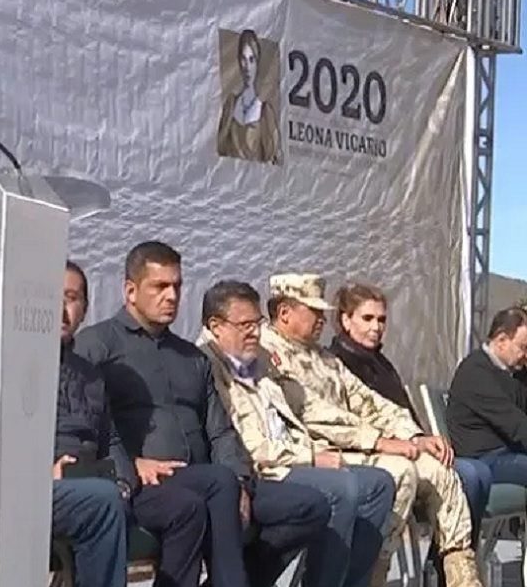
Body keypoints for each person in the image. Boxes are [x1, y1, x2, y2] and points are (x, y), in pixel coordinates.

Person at [75, 242, 330, 587]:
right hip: (149, 484)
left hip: (210, 479)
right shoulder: (98, 346)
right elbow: (86, 425)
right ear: (130, 291)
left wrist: (240, 480)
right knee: (214, 485)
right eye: (159, 286)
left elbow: (220, 431)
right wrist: (130, 464)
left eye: (177, 286)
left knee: (311, 505)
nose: (171, 296)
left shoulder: (191, 357)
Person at [261, 273, 482, 587]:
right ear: (284, 312)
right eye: (314, 311)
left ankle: (462, 578)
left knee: (440, 471)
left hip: (351, 447)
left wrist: (413, 435)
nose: (322, 319)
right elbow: (314, 413)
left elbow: (369, 402)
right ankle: (370, 574)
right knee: (399, 472)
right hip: (310, 453)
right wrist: (379, 441)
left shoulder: (322, 358)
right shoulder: (270, 355)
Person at [198, 280, 394, 587]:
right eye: (245, 325)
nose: (255, 332)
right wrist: (311, 456)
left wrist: (380, 438)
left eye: (257, 323)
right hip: (263, 468)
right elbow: (249, 446)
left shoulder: (260, 359)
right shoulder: (207, 366)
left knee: (379, 483)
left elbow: (305, 405)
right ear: (216, 326)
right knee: (341, 488)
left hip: (292, 453)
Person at [48, 261, 202, 587]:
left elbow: (111, 440)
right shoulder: (5, 364)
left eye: (72, 298)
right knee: (103, 501)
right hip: (40, 488)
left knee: (188, 505)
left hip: (94, 480)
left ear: (84, 309)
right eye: (50, 297)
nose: (61, 310)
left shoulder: (89, 375)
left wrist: (124, 483)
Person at [329, 283, 491, 551]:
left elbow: (401, 414)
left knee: (478, 473)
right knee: (470, 476)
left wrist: (422, 438)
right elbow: (353, 423)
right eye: (367, 318)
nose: (376, 327)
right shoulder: (336, 364)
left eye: (381, 319)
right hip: (374, 456)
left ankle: (453, 561)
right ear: (346, 320)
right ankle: (442, 563)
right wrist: (408, 443)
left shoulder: (381, 363)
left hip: (408, 448)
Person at [447, 308, 527, 488]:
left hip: (508, 452)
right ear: (501, 341)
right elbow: (516, 425)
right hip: (484, 458)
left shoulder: (512, 373)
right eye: (524, 347)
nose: (526, 356)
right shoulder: (475, 372)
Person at [216, 29, 280, 164]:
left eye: (251, 60)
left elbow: (272, 158)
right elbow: (220, 147)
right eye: (243, 59)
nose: (247, 67)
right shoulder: (231, 105)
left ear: (257, 62)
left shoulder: (265, 112)